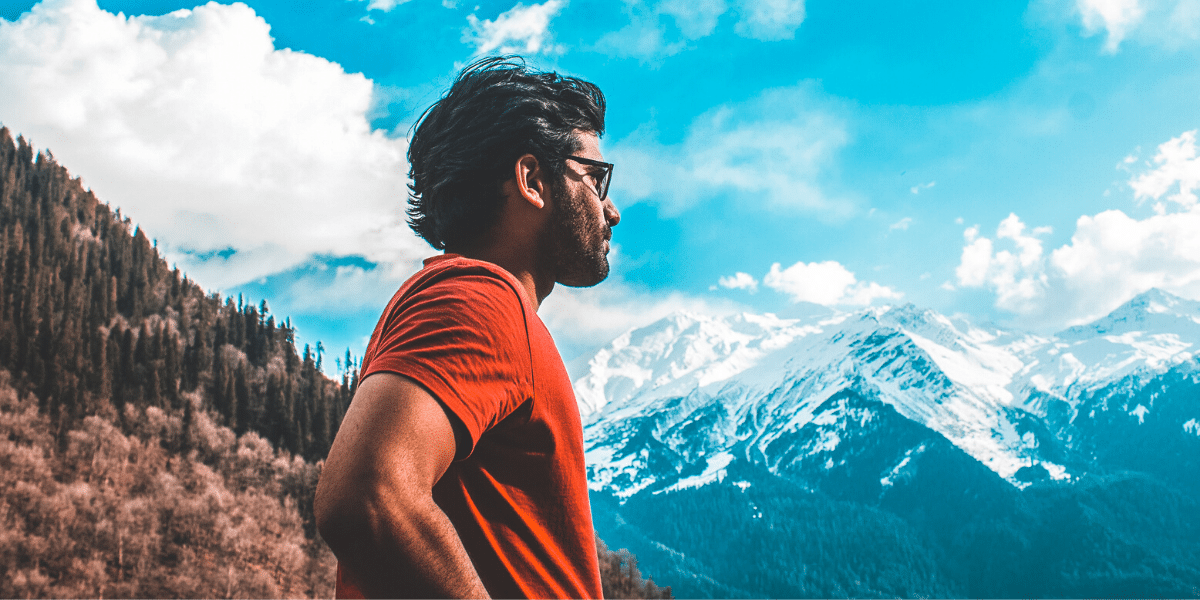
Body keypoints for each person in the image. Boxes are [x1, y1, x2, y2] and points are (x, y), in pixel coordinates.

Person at [313, 55, 620, 599]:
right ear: (531, 180)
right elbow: (367, 496)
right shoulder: (479, 300)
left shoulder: (479, 303)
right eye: (595, 179)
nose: (610, 209)